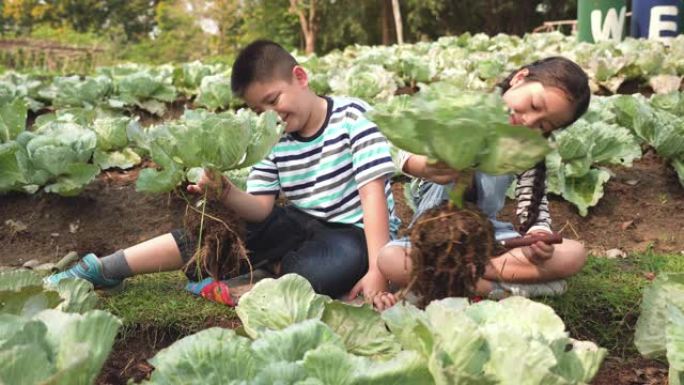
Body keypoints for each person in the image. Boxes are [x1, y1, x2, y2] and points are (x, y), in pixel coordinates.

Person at [46, 40, 400, 309]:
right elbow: (261, 209)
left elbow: (372, 196)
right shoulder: (271, 136)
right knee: (221, 227)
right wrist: (227, 193)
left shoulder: (355, 115)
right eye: (260, 109)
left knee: (339, 265)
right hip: (297, 224)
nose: (272, 114)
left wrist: (377, 272)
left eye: (274, 100)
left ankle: (249, 282)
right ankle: (104, 268)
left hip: (354, 234)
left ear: (300, 78)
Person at [375, 56, 591, 310]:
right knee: (390, 259)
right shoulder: (463, 113)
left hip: (488, 239)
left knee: (574, 254)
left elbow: (534, 208)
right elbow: (395, 149)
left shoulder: (523, 149)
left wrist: (538, 237)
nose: (529, 121)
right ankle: (497, 288)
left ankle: (452, 281)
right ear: (519, 78)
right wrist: (423, 166)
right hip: (432, 238)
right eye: (533, 104)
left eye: (543, 125)